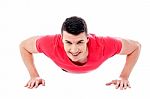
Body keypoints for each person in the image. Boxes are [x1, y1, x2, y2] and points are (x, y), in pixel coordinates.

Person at [19, 16, 141, 90]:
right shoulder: (50, 43)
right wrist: (34, 75)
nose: (74, 50)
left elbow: (136, 47)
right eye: (68, 42)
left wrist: (124, 76)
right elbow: (24, 46)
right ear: (61, 39)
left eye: (80, 42)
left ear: (87, 38)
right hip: (63, 69)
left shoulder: (104, 45)